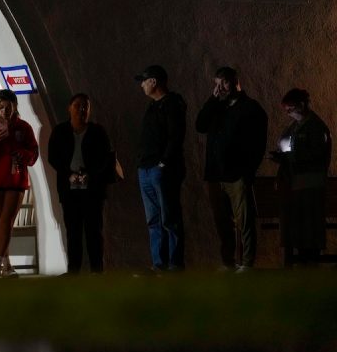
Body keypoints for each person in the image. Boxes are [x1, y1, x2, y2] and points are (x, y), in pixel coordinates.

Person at [196, 66, 268, 272]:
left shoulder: (251, 108)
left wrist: (248, 171)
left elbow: (258, 144)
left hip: (237, 174)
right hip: (215, 174)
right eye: (217, 84)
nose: (221, 88)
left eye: (224, 83)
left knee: (244, 221)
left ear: (236, 82)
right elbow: (199, 125)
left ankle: (247, 263)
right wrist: (212, 100)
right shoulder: (218, 107)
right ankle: (228, 261)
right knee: (222, 221)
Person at [0, 89, 39, 278]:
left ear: (15, 107)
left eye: (8, 107)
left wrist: (21, 153)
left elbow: (33, 153)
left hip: (15, 179)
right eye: (1, 107)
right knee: (1, 222)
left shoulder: (24, 128)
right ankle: (7, 265)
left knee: (6, 220)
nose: (5, 110)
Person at [48, 93, 113, 274]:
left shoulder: (97, 131)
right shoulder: (60, 131)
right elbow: (53, 156)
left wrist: (90, 174)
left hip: (92, 189)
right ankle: (73, 269)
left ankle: (96, 269)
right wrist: (68, 174)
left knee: (94, 230)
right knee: (73, 230)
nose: (82, 110)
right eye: (78, 106)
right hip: (69, 190)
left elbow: (104, 157)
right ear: (69, 108)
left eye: (86, 106)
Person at [269, 88, 332, 266]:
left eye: (290, 110)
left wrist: (288, 157)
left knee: (310, 227)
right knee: (300, 227)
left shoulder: (316, 127)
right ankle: (303, 258)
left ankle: (310, 260)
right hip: (296, 184)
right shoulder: (296, 126)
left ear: (302, 105)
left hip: (310, 185)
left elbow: (315, 155)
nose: (288, 114)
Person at [134, 65, 187, 273]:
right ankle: (159, 264)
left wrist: (164, 162)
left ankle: (174, 264)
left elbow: (176, 136)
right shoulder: (153, 106)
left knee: (169, 217)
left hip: (160, 169)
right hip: (146, 169)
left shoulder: (172, 104)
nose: (142, 85)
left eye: (144, 81)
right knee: (154, 220)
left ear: (154, 82)